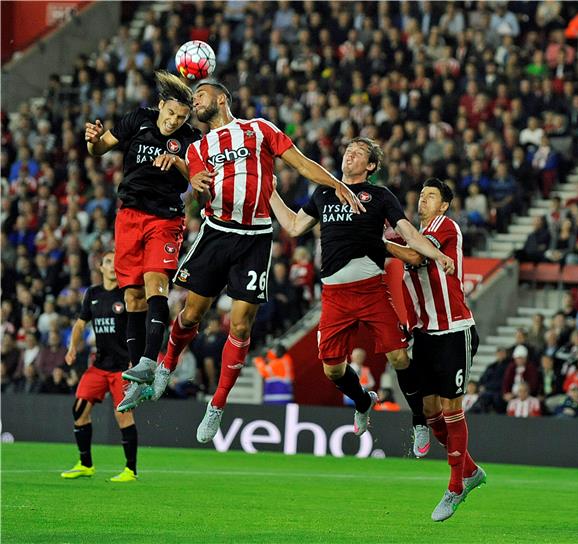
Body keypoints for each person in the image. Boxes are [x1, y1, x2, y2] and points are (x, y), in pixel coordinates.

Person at [120, 80, 364, 443]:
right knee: (190, 314)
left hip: (255, 238)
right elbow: (194, 190)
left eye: (199, 95)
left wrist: (337, 185)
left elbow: (300, 162)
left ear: (220, 98)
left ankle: (217, 404)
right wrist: (193, 182)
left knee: (242, 326)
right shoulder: (198, 147)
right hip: (217, 232)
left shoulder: (259, 129)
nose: (194, 101)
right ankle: (164, 367)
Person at [270, 138, 455, 450]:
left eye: (358, 152)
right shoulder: (324, 192)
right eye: (347, 150)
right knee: (332, 369)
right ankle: (362, 400)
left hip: (370, 290)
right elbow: (293, 226)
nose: (349, 154)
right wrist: (271, 192)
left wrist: (437, 256)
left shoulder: (380, 196)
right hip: (334, 296)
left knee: (398, 356)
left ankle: (420, 421)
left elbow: (408, 233)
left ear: (370, 166)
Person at [84, 71, 201, 412]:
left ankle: (151, 359)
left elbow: (199, 180)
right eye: (171, 114)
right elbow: (99, 148)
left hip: (164, 218)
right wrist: (92, 140)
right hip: (129, 216)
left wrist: (178, 162)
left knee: (155, 285)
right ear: (161, 105)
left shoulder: (190, 139)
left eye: (181, 117)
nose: (175, 121)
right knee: (132, 296)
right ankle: (137, 373)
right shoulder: (137, 119)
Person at [385, 178, 485, 522]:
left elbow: (413, 254)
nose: (423, 200)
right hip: (425, 333)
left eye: (431, 196)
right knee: (430, 412)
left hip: (455, 330)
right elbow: (396, 244)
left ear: (443, 205)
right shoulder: (409, 233)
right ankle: (469, 471)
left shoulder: (445, 227)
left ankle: (456, 486)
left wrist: (380, 243)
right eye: (422, 195)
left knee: (451, 408)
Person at [60, 251, 139, 483]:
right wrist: (72, 347)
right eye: (107, 262)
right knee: (79, 410)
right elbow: (80, 324)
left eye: (116, 262)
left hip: (122, 367)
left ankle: (130, 470)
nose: (113, 266)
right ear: (100, 267)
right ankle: (86, 464)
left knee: (122, 415)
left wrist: (137, 357)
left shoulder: (128, 293)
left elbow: (137, 328)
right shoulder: (92, 294)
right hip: (100, 365)